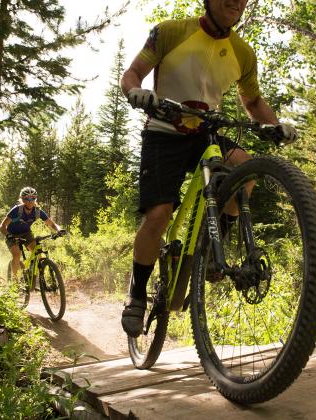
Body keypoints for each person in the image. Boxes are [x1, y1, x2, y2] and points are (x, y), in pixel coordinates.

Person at [120, 0, 298, 337]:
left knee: (243, 166)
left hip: (206, 134)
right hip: (163, 132)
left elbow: (253, 102)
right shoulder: (171, 31)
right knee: (158, 215)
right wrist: (137, 92)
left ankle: (212, 247)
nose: (236, 2)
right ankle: (136, 296)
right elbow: (132, 74)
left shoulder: (243, 53)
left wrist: (275, 125)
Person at [0, 186, 65, 279]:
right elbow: (2, 226)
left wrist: (59, 230)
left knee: (37, 252)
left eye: (33, 198)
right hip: (12, 234)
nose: (30, 201)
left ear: (35, 199)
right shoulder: (17, 210)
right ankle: (14, 281)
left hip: (26, 233)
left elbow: (51, 223)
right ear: (22, 199)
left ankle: (35, 276)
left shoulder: (37, 211)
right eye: (27, 198)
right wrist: (8, 235)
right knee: (17, 254)